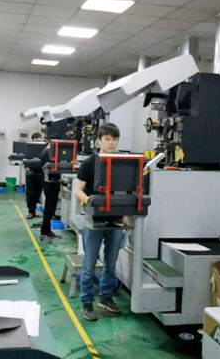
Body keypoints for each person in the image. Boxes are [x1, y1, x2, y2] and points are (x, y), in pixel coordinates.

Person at [73, 123, 125, 321]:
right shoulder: (89, 163)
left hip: (116, 220)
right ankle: (86, 302)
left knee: (111, 263)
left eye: (114, 139)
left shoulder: (123, 163)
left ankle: (105, 298)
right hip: (94, 220)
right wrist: (89, 202)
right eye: (107, 139)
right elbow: (78, 189)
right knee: (89, 263)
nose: (111, 143)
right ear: (99, 141)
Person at [39, 134, 63, 242]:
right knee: (49, 209)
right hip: (49, 184)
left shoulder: (48, 151)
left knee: (51, 209)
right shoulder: (48, 152)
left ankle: (48, 231)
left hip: (52, 183)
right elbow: (49, 169)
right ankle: (44, 233)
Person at [25, 132, 44, 219]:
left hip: (41, 174)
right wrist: (26, 167)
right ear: (32, 141)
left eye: (40, 141)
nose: (38, 143)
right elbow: (25, 159)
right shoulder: (29, 149)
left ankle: (35, 211)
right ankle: (31, 212)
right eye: (36, 141)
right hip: (31, 174)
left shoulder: (44, 148)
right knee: (30, 194)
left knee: (38, 194)